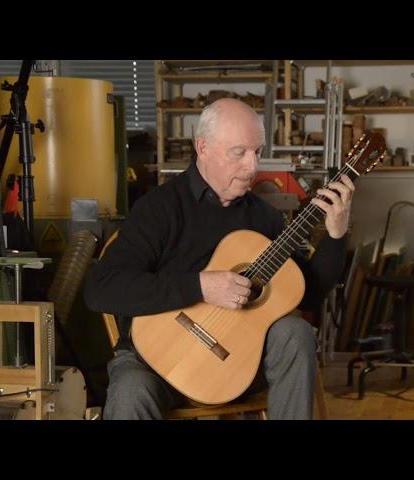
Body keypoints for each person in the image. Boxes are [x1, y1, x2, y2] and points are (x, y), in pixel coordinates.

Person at [85, 98, 353, 419]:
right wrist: (200, 287)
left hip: (236, 363)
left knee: (295, 333)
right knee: (130, 393)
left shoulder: (264, 218)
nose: (252, 167)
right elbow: (101, 289)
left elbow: (306, 292)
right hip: (153, 361)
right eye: (238, 152)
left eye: (257, 152)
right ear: (203, 147)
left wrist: (336, 236)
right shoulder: (160, 209)